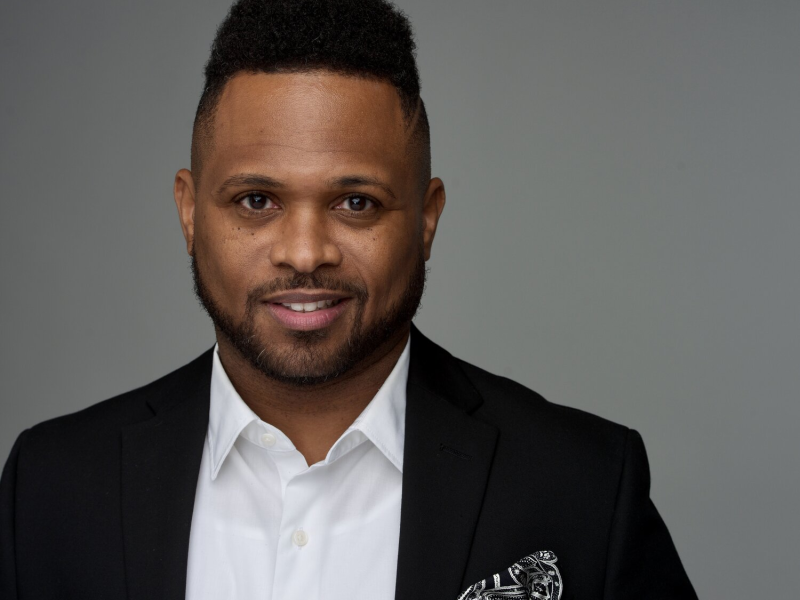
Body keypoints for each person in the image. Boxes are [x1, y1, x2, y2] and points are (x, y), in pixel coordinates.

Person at [0, 0, 697, 598]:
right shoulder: (51, 487)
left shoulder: (582, 486)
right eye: (257, 200)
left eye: (356, 202)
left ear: (426, 219)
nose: (305, 253)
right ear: (188, 212)